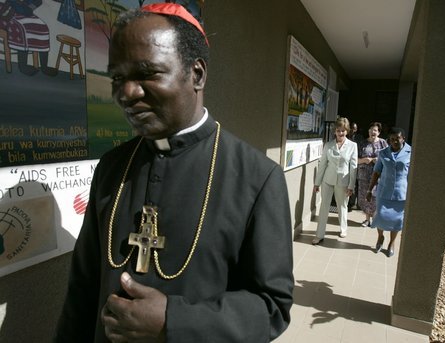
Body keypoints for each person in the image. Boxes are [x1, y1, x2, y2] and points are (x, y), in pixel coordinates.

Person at [55, 4, 293, 342]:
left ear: (197, 75)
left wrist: (174, 320)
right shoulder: (112, 167)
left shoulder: (258, 178)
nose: (126, 93)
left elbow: (272, 307)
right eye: (117, 78)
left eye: (147, 73)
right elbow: (81, 291)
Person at [366, 127, 411, 257]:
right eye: (391, 139)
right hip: (384, 191)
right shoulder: (383, 152)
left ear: (403, 139)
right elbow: (376, 172)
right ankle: (380, 237)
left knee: (397, 221)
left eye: (397, 139)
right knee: (380, 216)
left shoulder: (411, 152)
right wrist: (370, 190)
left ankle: (392, 243)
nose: (394, 142)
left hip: (401, 193)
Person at [312, 117, 357, 245]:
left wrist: (351, 185)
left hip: (343, 181)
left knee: (342, 206)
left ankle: (343, 228)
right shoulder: (328, 145)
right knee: (324, 207)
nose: (340, 133)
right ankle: (319, 235)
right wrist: (317, 183)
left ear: (347, 131)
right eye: (338, 130)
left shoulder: (353, 146)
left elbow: (353, 167)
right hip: (327, 179)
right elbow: (323, 165)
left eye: (343, 130)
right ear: (335, 131)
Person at [357, 122, 388, 227]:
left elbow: (389, 159)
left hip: (379, 176)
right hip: (364, 176)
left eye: (375, 130)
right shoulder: (362, 143)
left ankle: (375, 219)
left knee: (376, 197)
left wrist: (378, 160)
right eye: (370, 129)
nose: (372, 132)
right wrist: (364, 160)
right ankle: (367, 220)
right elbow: (355, 160)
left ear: (378, 132)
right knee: (365, 197)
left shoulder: (383, 143)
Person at [347, 121, 363, 211]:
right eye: (351, 128)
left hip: (356, 161)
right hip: (347, 162)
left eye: (354, 128)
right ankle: (348, 202)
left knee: (355, 183)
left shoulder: (359, 138)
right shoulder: (346, 137)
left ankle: (353, 203)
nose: (353, 130)